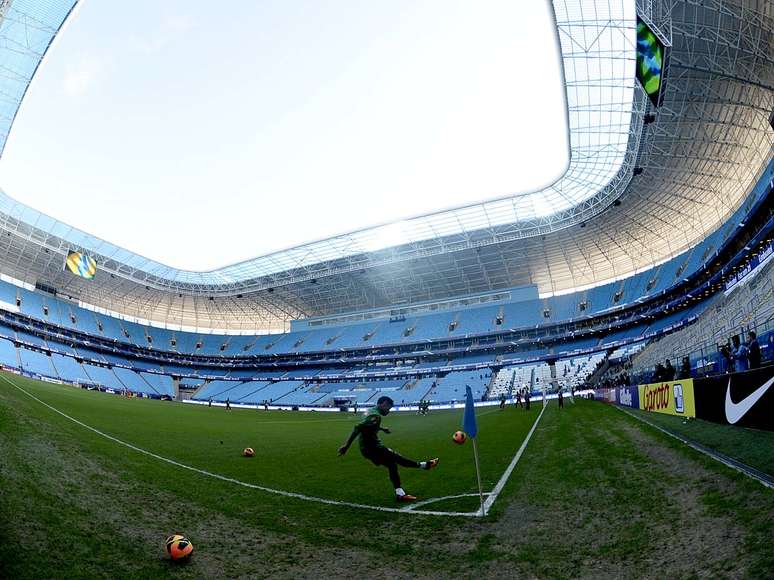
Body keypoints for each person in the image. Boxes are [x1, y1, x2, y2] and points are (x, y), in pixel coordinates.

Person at [337, 396, 439, 502]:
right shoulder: (375, 416)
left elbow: (367, 425)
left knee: (392, 465)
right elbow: (358, 427)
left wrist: (381, 428)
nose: (388, 411)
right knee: (399, 459)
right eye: (388, 408)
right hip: (373, 448)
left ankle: (400, 493)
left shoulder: (370, 410)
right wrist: (346, 446)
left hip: (367, 447)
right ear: (384, 404)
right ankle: (425, 465)